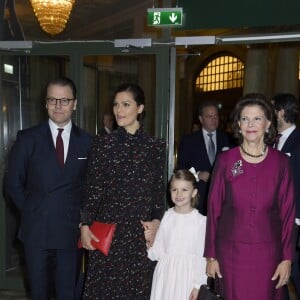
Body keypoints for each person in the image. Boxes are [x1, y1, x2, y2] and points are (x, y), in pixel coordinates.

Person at [4, 77, 92, 300]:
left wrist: (84, 220)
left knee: (67, 294)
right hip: (37, 231)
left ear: (74, 103)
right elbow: (13, 183)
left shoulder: (89, 142)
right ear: (45, 103)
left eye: (64, 100)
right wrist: (33, 211)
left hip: (71, 231)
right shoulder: (28, 138)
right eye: (52, 100)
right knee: (39, 294)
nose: (58, 106)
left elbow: (92, 187)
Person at [204, 93, 296, 300]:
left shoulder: (281, 162)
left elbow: (288, 214)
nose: (250, 124)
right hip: (230, 256)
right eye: (244, 119)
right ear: (238, 125)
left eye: (257, 118)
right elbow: (213, 209)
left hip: (269, 257)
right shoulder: (226, 160)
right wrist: (211, 255)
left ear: (268, 123)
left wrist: (287, 259)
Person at [79, 83, 166, 299]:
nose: (119, 110)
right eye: (116, 105)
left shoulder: (155, 146)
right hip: (108, 231)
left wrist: (156, 222)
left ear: (140, 108)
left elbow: (157, 192)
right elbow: (93, 190)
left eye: (126, 104)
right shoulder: (102, 144)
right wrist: (84, 225)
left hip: (139, 235)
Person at [148, 169, 207, 300]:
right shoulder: (167, 216)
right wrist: (150, 241)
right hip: (165, 276)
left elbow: (202, 256)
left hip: (187, 277)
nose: (179, 194)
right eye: (174, 190)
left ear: (194, 192)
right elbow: (157, 252)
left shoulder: (200, 221)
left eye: (184, 190)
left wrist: (198, 285)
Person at [177, 100, 232, 215]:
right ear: (201, 119)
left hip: (221, 197)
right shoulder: (189, 141)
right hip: (198, 197)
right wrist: (197, 175)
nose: (214, 119)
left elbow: (235, 164)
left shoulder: (227, 139)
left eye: (216, 116)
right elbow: (181, 169)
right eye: (209, 116)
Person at [272, 93, 300, 299]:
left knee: (295, 271)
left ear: (281, 112)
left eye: (272, 109)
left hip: (296, 218)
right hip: (275, 218)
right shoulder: (272, 140)